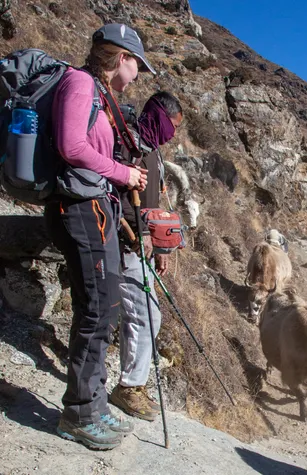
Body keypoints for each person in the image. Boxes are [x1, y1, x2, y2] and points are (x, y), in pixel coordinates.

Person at [44, 23, 154, 450]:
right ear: (120, 57)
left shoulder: (99, 93)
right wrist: (122, 172)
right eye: (136, 64)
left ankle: (93, 404)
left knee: (103, 307)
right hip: (78, 209)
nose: (138, 74)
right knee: (96, 310)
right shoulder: (80, 83)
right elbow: (71, 146)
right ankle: (78, 412)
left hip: (94, 209)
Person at [110, 91, 183, 421]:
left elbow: (152, 206)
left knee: (144, 314)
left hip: (143, 246)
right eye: (173, 125)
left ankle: (133, 384)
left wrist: (161, 248)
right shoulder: (127, 144)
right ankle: (128, 387)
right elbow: (115, 196)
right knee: (145, 315)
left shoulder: (152, 153)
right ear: (159, 117)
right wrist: (134, 234)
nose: (174, 133)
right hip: (123, 244)